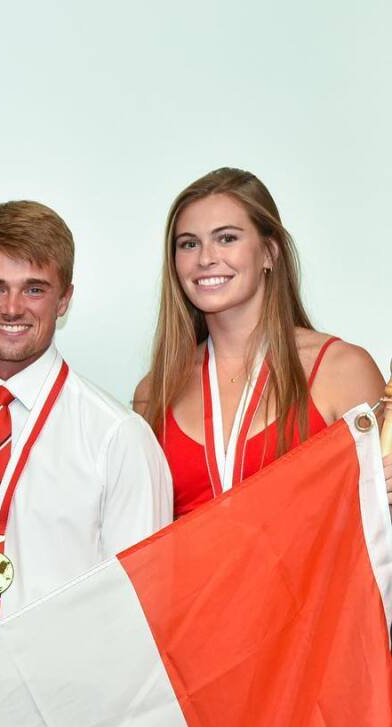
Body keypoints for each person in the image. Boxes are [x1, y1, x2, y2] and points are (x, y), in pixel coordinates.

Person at [0, 200, 172, 660]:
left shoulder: (116, 437)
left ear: (64, 298)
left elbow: (141, 606)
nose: (12, 308)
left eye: (34, 289)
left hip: (67, 714)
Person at [134, 167, 384, 516]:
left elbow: (378, 534)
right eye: (189, 244)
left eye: (227, 238)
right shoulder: (155, 391)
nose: (205, 258)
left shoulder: (341, 371)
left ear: (269, 252)